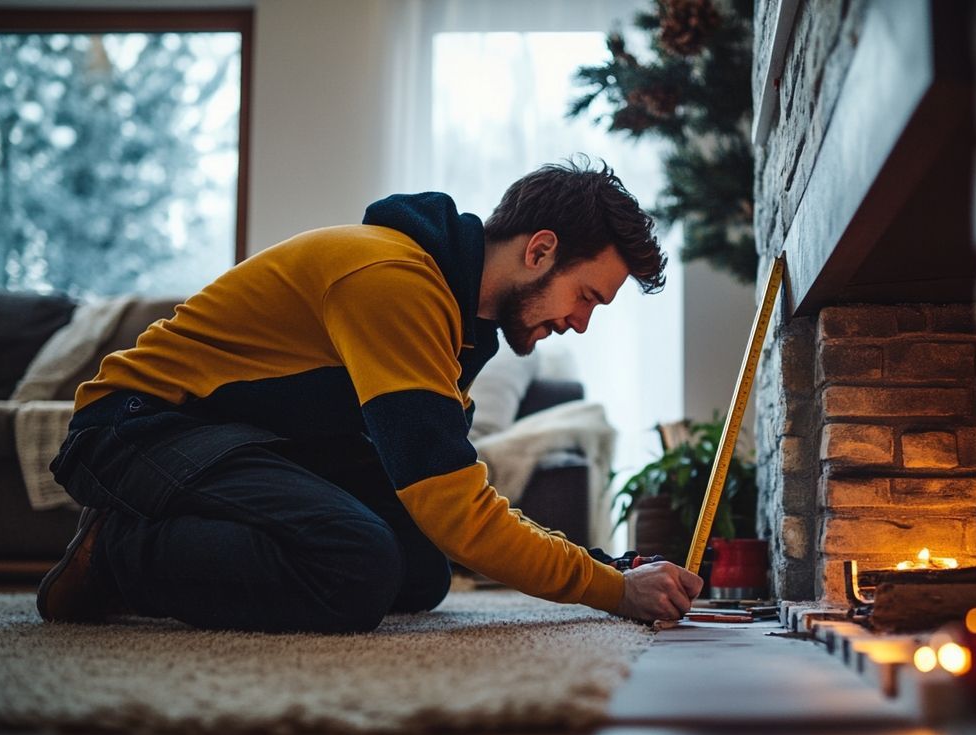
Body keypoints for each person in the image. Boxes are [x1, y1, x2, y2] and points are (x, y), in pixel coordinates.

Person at [37, 158, 704, 634]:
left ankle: (158, 539)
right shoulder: (395, 283)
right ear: (540, 251)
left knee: (418, 571)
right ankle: (118, 554)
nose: (581, 322)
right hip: (136, 426)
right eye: (587, 295)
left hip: (244, 441)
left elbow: (451, 505)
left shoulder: (456, 324)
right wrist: (612, 591)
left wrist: (606, 565)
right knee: (355, 565)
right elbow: (455, 508)